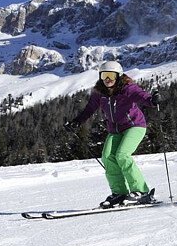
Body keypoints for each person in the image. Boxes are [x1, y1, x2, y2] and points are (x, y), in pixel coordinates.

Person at [66, 61, 160, 208]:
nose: (107, 79)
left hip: (134, 126)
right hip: (115, 130)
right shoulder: (99, 92)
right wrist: (77, 122)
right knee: (107, 157)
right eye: (104, 75)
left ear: (118, 76)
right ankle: (119, 193)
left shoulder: (127, 88)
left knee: (122, 155)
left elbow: (140, 95)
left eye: (111, 75)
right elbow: (90, 109)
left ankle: (141, 192)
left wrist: (151, 101)